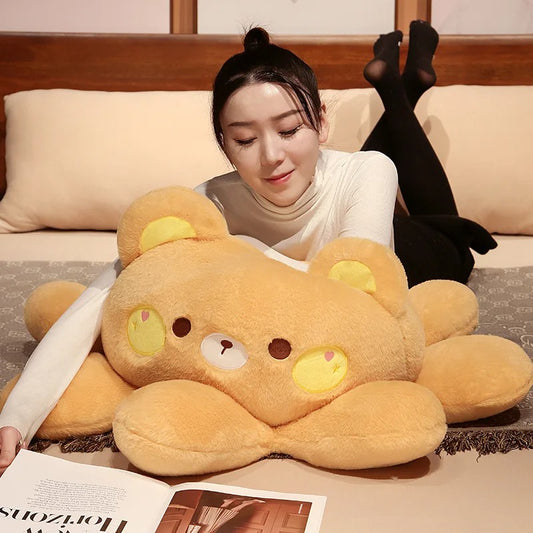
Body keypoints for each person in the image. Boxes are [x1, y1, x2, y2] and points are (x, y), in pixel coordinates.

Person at [0, 21, 496, 473]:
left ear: (322, 122)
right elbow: (101, 297)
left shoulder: (370, 171)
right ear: (224, 144)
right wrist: (16, 418)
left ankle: (401, 90)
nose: (271, 156)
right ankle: (402, 86)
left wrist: (237, 248)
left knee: (446, 224)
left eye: (289, 129)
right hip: (338, 199)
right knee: (333, 168)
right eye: (244, 140)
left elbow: (353, 294)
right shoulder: (208, 203)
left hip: (412, 253)